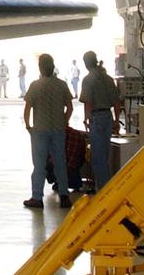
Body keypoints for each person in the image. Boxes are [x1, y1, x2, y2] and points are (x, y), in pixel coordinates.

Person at [23, 53, 73, 210]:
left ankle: (37, 197)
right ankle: (64, 196)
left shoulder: (35, 86)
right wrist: (64, 121)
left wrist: (28, 126)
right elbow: (69, 107)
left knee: (39, 164)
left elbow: (28, 108)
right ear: (53, 67)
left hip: (40, 130)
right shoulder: (62, 85)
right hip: (58, 130)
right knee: (60, 163)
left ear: (40, 68)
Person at [80, 50, 123, 192]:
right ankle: (104, 187)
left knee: (97, 159)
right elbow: (116, 102)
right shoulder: (108, 78)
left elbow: (88, 103)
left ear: (86, 64)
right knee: (104, 156)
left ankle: (104, 191)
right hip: (108, 117)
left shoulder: (88, 79)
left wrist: (87, 120)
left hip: (96, 119)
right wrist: (116, 121)